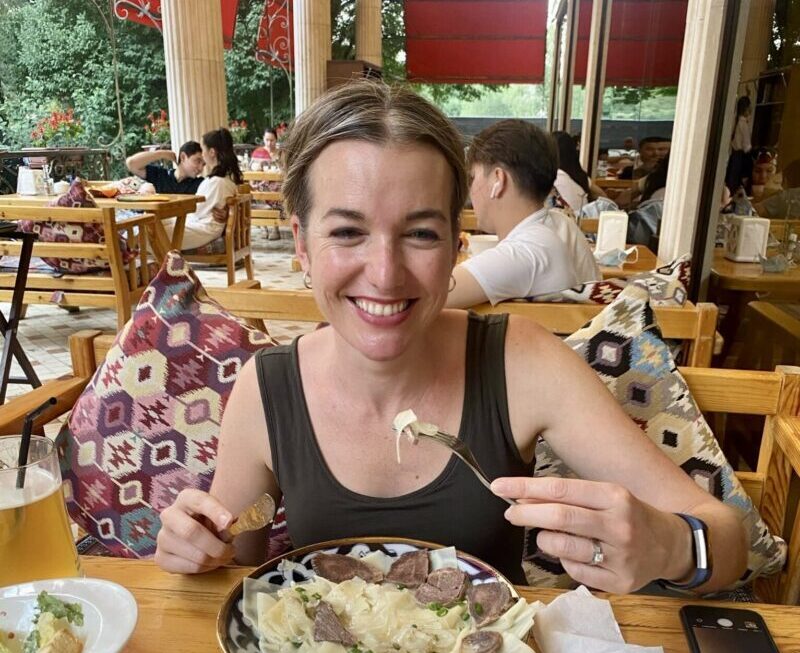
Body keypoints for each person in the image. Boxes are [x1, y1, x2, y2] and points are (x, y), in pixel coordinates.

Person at [154, 80, 747, 595]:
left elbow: (726, 538)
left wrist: (672, 546)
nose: (385, 274)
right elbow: (235, 568)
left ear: (456, 249)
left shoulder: (519, 361)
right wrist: (195, 550)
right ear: (302, 247)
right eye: (347, 232)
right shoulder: (267, 389)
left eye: (420, 234)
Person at [446, 120, 600, 309]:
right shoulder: (552, 229)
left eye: (473, 177)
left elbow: (431, 296)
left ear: (498, 179)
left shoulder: (529, 250)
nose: (470, 191)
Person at [161, 128, 243, 251]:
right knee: (156, 223)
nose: (202, 155)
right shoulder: (225, 177)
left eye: (203, 150)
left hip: (204, 229)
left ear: (212, 152)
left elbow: (196, 211)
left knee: (150, 230)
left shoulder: (218, 182)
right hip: (201, 224)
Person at [552, 131, 606, 212]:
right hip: (582, 222)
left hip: (563, 221)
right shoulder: (579, 175)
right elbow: (603, 196)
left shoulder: (552, 176)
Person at [125, 141, 205, 194]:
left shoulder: (201, 184)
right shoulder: (161, 176)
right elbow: (131, 164)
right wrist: (161, 154)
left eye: (203, 164)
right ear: (183, 157)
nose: (201, 168)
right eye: (198, 161)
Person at [725, 96, 753, 193]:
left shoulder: (735, 121)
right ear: (746, 109)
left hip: (734, 156)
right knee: (736, 184)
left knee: (731, 183)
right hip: (740, 158)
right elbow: (747, 147)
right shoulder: (743, 124)